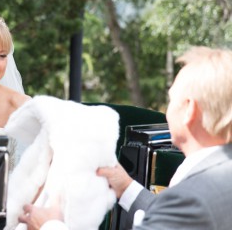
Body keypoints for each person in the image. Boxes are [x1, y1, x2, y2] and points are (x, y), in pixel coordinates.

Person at [18, 46, 232, 230]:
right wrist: (126, 187)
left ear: (189, 110)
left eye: (172, 99)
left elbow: (180, 211)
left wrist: (49, 225)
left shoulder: (191, 199)